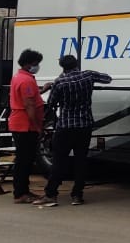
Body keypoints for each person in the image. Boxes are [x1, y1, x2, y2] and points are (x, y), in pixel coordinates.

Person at [36, 55, 111, 207]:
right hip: (85, 124)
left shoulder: (60, 82)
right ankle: (77, 195)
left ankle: (51, 194)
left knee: (58, 161)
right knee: (81, 160)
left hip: (65, 126)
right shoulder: (88, 75)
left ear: (62, 67)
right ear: (76, 64)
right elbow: (107, 78)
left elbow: (51, 103)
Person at [9, 49, 46, 204]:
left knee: (23, 159)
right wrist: (37, 125)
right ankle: (21, 193)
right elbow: (29, 104)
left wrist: (45, 89)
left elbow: (32, 97)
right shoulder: (26, 81)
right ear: (29, 63)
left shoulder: (19, 77)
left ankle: (22, 190)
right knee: (24, 160)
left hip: (20, 123)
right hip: (25, 125)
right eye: (36, 63)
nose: (37, 66)